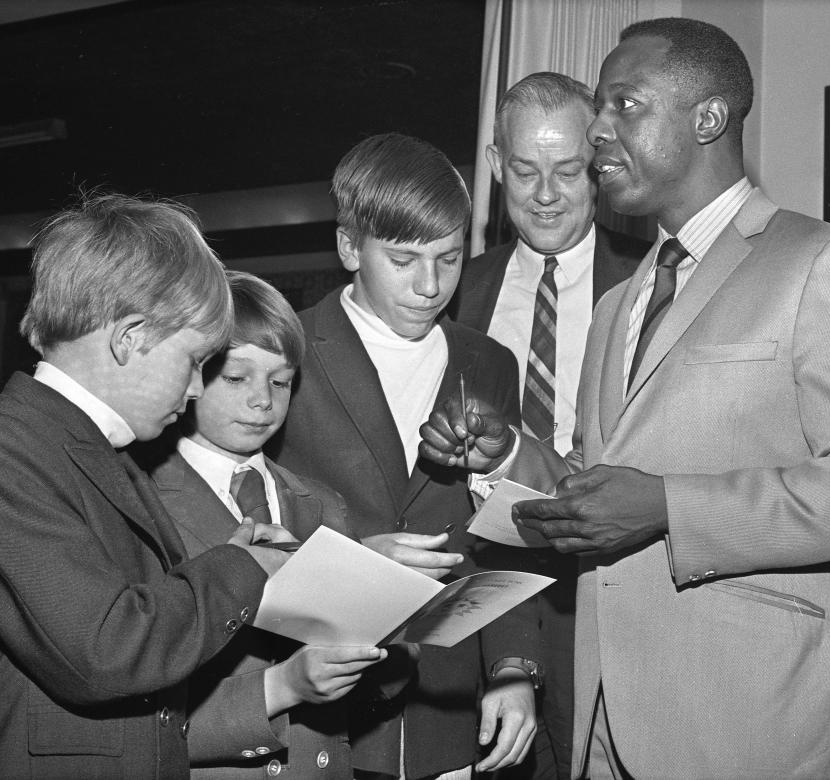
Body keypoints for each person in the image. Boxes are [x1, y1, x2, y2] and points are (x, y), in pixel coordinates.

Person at [418, 18, 830, 779]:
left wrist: (669, 508)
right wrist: (513, 454)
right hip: (605, 719)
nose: (595, 130)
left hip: (755, 719)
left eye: (623, 105)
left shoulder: (825, 262)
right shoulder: (621, 303)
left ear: (708, 117)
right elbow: (602, 491)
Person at [0, 193, 300, 779]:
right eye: (196, 361)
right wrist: (240, 567)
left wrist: (239, 558)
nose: (199, 390)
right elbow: (108, 650)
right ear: (130, 338)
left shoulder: (101, 452)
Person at [266, 132, 541, 780]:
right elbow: (234, 526)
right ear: (347, 248)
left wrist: (512, 666)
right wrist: (355, 564)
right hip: (315, 712)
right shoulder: (286, 351)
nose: (429, 286)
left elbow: (503, 530)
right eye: (404, 259)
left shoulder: (489, 362)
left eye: (448, 260)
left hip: (445, 716)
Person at [448, 70, 648, 780]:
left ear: (596, 168)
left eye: (567, 171)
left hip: (609, 588)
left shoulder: (653, 279)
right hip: (486, 589)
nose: (544, 194)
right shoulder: (454, 289)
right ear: (497, 165)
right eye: (525, 171)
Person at [133, 270, 389, 778]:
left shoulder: (324, 505)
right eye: (236, 377)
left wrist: (384, 618)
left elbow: (381, 688)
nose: (263, 400)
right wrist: (283, 688)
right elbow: (136, 720)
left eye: (281, 381)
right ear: (190, 372)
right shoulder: (140, 502)